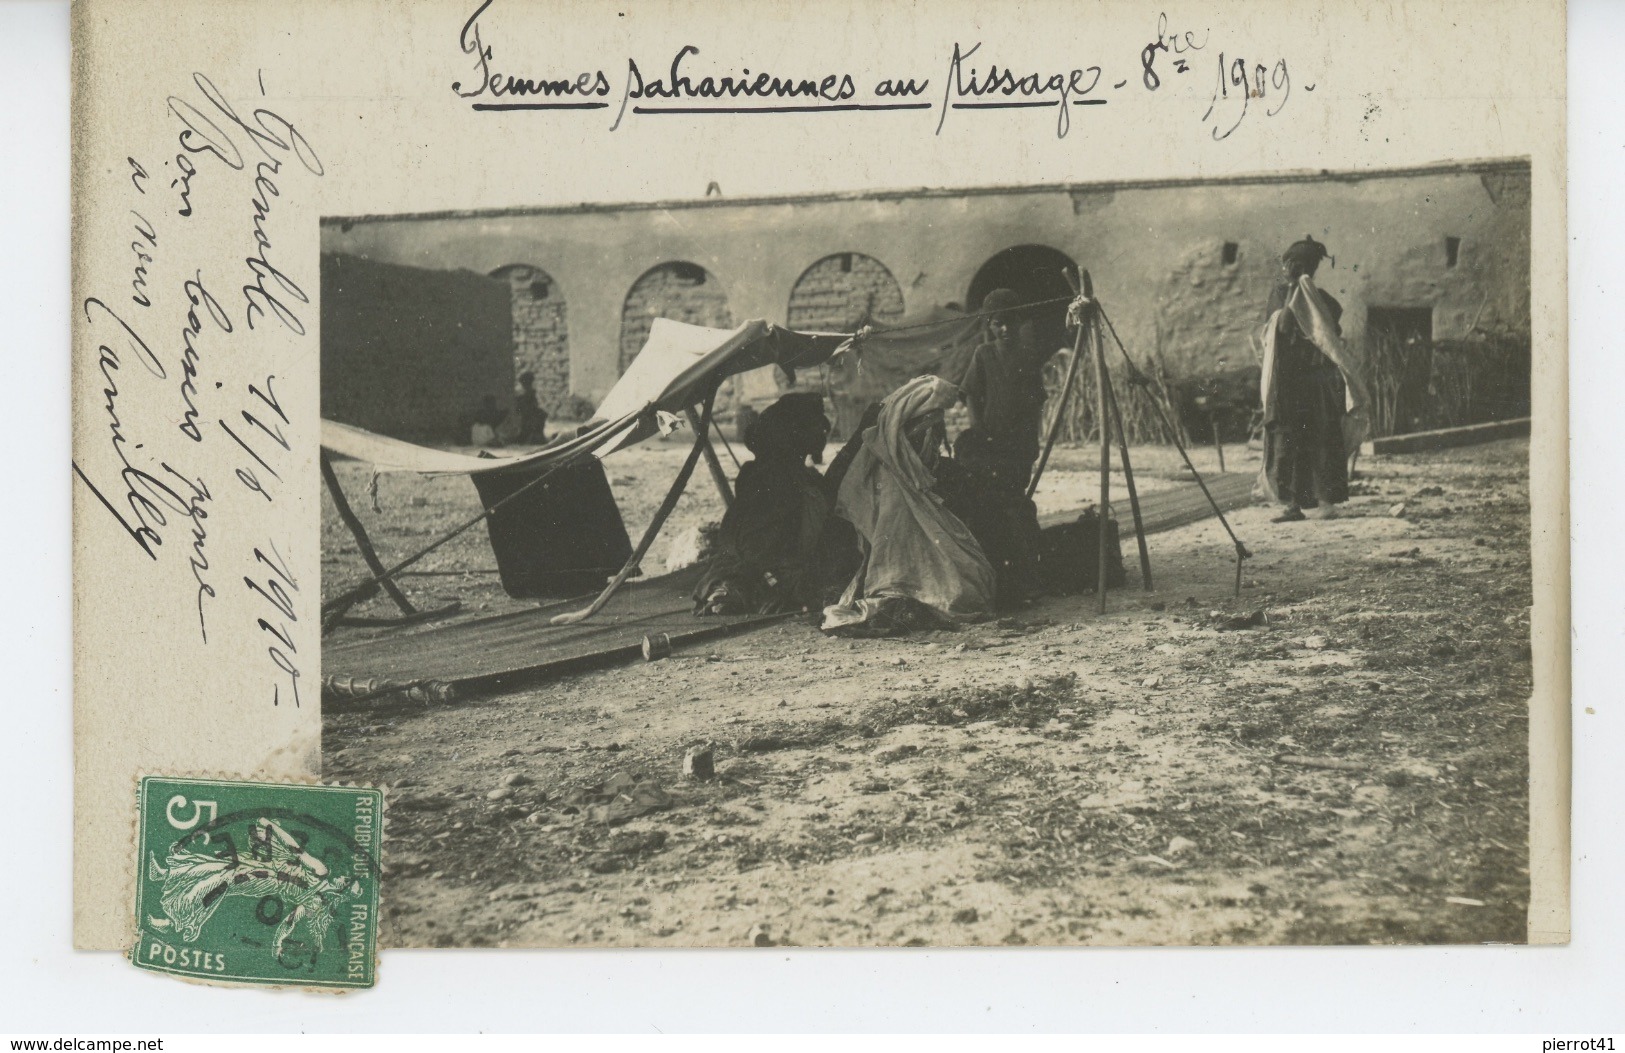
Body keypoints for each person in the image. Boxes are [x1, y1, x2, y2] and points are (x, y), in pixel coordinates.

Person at [820, 376, 996, 635]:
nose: (935, 445)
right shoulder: (880, 481)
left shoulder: (936, 474)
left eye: (937, 436)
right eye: (928, 436)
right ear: (906, 437)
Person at [953, 287, 1053, 603]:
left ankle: (1028, 579)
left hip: (1017, 448)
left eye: (1009, 322)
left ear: (1019, 322)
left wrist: (1032, 443)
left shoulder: (1028, 357)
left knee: (1018, 508)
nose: (1004, 329)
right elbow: (970, 394)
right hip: (989, 445)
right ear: (989, 325)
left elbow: (1036, 404)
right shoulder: (983, 355)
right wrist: (978, 431)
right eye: (997, 323)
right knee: (991, 509)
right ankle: (1001, 579)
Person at [1259, 235, 1369, 522]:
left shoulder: (1324, 302)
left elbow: (1329, 338)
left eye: (1293, 264)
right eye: (1287, 264)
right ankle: (1292, 505)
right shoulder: (1280, 296)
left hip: (1317, 381)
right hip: (1288, 382)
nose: (1287, 269)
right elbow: (1279, 328)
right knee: (1288, 441)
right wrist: (1295, 290)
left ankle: (1324, 502)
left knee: (1321, 438)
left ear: (1304, 267)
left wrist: (1301, 291)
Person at [693, 393, 832, 616]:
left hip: (758, 563)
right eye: (817, 428)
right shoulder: (776, 480)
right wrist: (779, 587)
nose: (823, 435)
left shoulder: (790, 475)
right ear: (795, 436)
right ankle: (736, 593)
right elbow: (755, 548)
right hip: (760, 570)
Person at [514, 371, 549, 443]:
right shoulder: (521, 392)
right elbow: (521, 405)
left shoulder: (531, 392)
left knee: (541, 415)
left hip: (530, 412)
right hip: (525, 413)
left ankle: (537, 437)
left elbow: (534, 404)